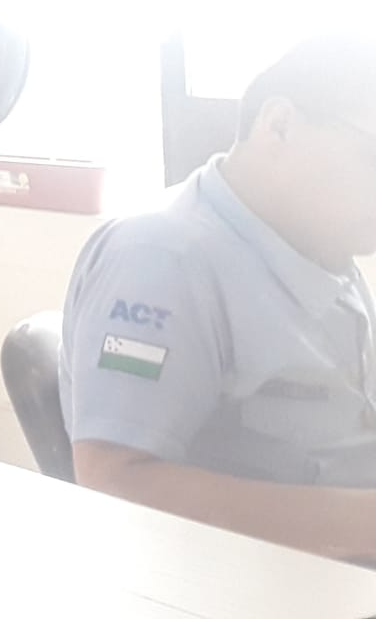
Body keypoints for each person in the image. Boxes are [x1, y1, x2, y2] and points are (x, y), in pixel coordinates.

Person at [61, 34, 376, 561]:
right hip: (273, 580)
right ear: (279, 125)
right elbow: (115, 482)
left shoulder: (321, 243)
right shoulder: (163, 260)